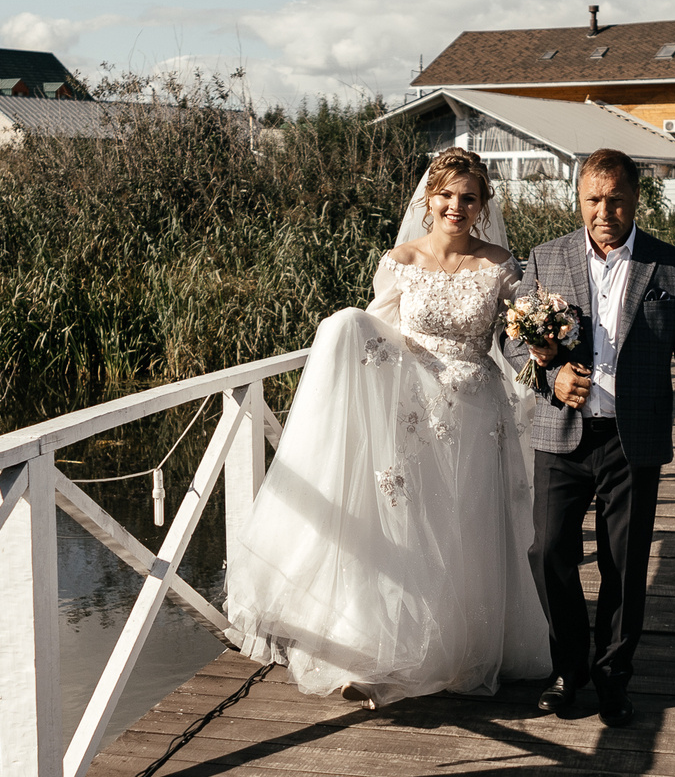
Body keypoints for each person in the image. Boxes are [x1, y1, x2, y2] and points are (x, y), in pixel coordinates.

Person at [223, 148, 550, 707]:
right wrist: (346, 332)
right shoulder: (399, 259)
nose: (456, 206)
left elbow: (519, 333)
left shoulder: (500, 264)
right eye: (446, 195)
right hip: (415, 413)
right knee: (410, 531)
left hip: (477, 411)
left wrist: (543, 344)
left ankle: (461, 649)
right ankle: (388, 653)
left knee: (466, 530)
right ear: (429, 198)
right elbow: (379, 333)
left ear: (482, 205)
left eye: (468, 198)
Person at [501, 149, 675, 728]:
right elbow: (513, 342)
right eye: (593, 200)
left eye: (616, 200)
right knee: (547, 552)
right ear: (579, 199)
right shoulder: (546, 259)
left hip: (634, 440)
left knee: (624, 563)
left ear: (635, 200)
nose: (604, 211)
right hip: (560, 436)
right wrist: (550, 373)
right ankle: (569, 670)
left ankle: (613, 678)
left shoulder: (673, 268)